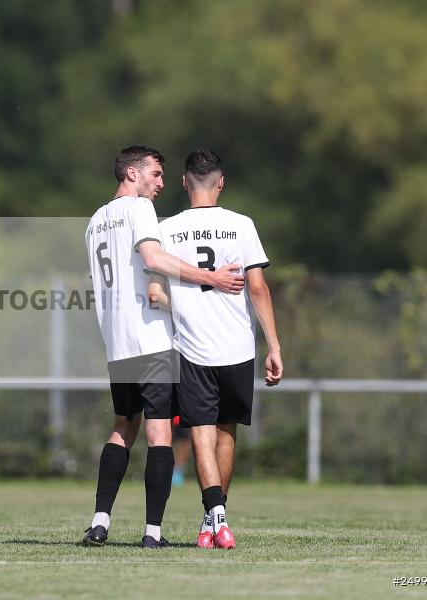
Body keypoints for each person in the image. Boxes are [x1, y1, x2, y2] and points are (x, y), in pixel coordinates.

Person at [83, 145, 245, 549]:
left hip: (116, 341)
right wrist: (210, 277)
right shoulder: (138, 210)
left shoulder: (95, 220)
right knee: (160, 435)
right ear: (132, 174)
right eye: (154, 174)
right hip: (150, 336)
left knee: (123, 427)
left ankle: (100, 521)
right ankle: (152, 533)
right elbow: (153, 257)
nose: (159, 183)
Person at [148, 149, 283, 549]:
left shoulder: (166, 229)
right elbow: (257, 287)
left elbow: (156, 294)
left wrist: (188, 302)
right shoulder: (241, 225)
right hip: (238, 347)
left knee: (201, 433)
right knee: (227, 432)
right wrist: (274, 345)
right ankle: (216, 519)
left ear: (184, 182)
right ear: (221, 183)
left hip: (193, 347)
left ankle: (214, 519)